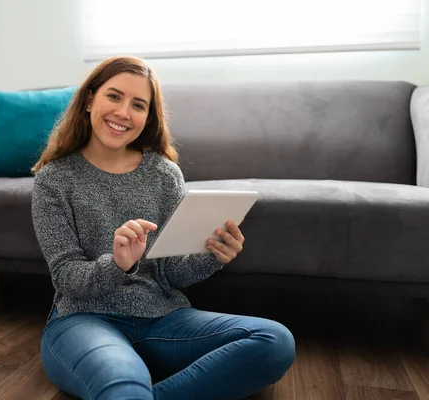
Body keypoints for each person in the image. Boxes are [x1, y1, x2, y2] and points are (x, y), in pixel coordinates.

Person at [31, 55, 295, 400]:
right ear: (90, 99)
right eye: (114, 96)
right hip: (84, 319)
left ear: (148, 117)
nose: (124, 112)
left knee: (275, 341)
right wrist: (119, 263)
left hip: (165, 319)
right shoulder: (55, 178)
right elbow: (67, 278)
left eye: (138, 105)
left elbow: (172, 273)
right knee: (123, 386)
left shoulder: (163, 174)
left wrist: (214, 254)